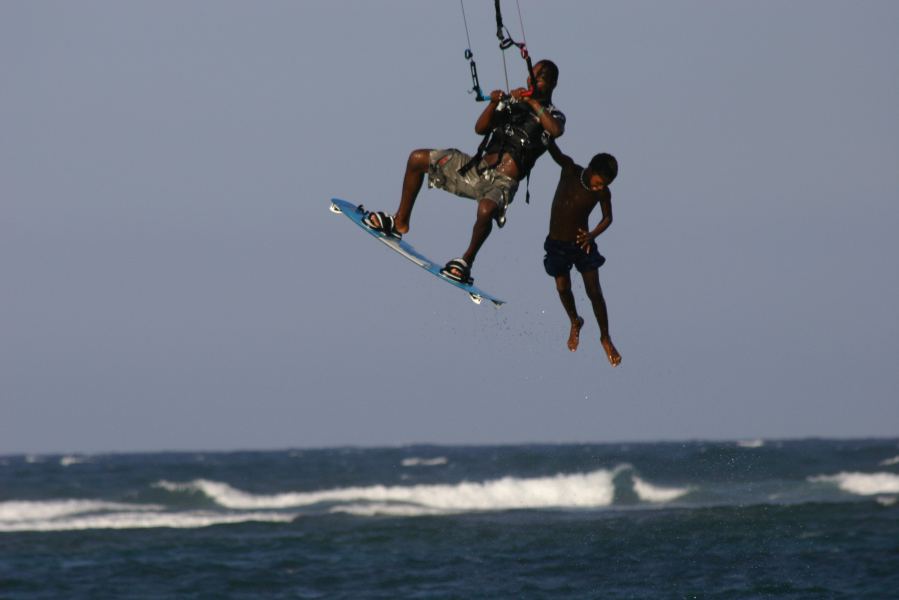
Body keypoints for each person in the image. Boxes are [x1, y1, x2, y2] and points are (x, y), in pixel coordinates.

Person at [363, 60, 565, 284]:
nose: (532, 81)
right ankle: (400, 221)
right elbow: (480, 129)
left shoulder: (554, 115)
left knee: (486, 209)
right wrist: (495, 104)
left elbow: (555, 131)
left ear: (552, 83)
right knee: (417, 159)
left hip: (502, 183)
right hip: (475, 169)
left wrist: (532, 102)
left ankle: (466, 262)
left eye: (539, 78)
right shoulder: (512, 104)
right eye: (531, 76)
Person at [543, 140, 621, 366]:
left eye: (603, 185)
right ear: (591, 170)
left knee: (594, 291)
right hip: (557, 244)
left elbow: (608, 218)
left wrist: (592, 235)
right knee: (562, 286)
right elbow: (552, 148)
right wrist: (544, 131)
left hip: (582, 244)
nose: (599, 188)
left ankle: (605, 337)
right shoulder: (569, 170)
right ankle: (575, 320)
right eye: (598, 183)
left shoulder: (603, 193)